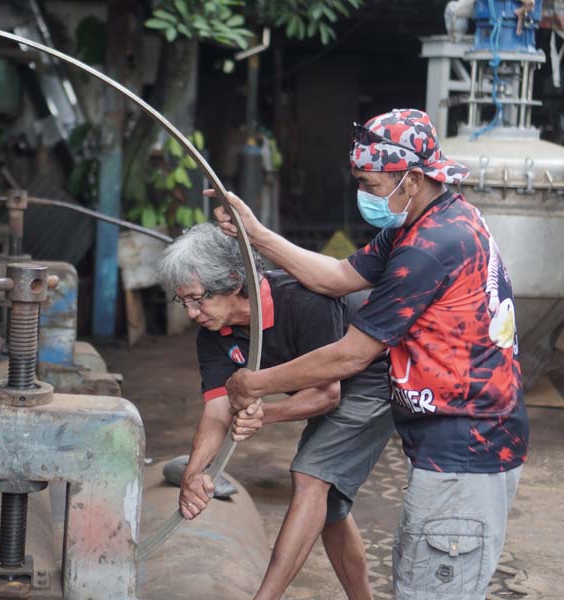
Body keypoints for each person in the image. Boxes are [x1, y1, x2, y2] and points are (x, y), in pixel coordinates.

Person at [211, 108, 528, 600]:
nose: (366, 195)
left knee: (431, 586)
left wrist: (255, 383)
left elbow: (350, 357)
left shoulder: (430, 246)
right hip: (456, 446)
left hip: (466, 449)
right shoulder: (427, 221)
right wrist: (254, 231)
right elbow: (335, 276)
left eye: (373, 185)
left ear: (414, 178)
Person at [157, 222, 394, 600]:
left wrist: (265, 413)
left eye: (198, 299)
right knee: (328, 505)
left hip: (371, 377)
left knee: (310, 476)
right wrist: (195, 472)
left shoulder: (304, 300)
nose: (191, 313)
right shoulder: (213, 335)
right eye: (183, 301)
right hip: (324, 385)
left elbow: (326, 396)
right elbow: (218, 411)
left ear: (235, 282)